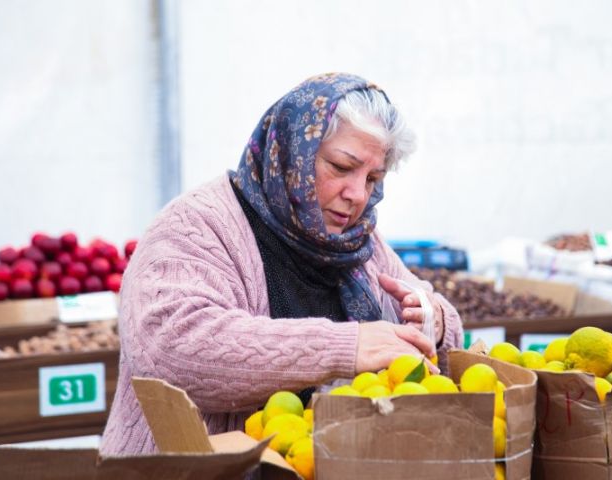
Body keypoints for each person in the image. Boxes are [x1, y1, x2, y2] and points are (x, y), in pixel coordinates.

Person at [100, 72, 463, 455]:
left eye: (373, 178)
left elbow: (442, 329)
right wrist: (345, 347)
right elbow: (171, 348)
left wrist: (434, 320)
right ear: (292, 152)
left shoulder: (356, 243)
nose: (357, 194)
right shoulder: (195, 225)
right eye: (340, 167)